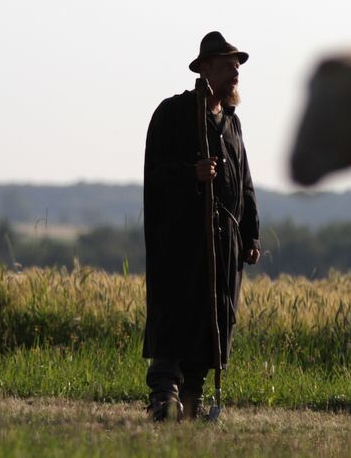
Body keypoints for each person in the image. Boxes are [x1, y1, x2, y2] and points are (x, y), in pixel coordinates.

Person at [142, 31, 262, 421]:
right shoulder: (173, 114)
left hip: (224, 245)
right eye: (228, 65)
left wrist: (251, 234)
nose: (236, 73)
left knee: (212, 320)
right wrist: (190, 174)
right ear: (205, 69)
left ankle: (192, 399)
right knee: (177, 315)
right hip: (181, 242)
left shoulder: (232, 124)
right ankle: (165, 395)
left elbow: (244, 184)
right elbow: (155, 174)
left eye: (238, 66)